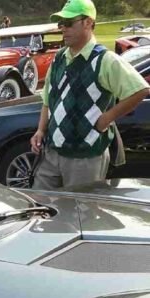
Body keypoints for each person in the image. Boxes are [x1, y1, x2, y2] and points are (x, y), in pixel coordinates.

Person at [30, 0, 149, 190]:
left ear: (88, 23)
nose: (63, 28)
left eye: (69, 23)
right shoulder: (59, 58)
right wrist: (40, 130)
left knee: (81, 207)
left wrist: (106, 119)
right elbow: (48, 98)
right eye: (61, 24)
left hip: (86, 157)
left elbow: (140, 90)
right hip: (52, 152)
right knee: (40, 203)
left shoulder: (105, 60)